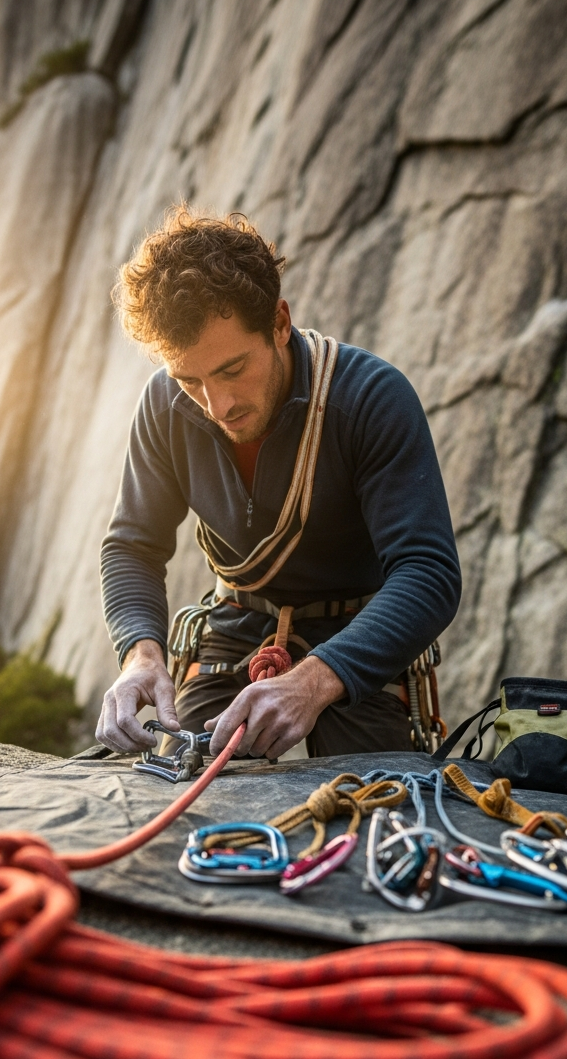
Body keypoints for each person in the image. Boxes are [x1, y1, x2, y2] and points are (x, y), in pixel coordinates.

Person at [96, 206, 461, 761]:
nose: (218, 406)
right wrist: (141, 655)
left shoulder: (368, 400)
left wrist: (316, 680)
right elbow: (133, 547)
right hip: (236, 623)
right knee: (177, 783)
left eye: (233, 369)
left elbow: (428, 573)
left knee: (367, 810)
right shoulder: (166, 406)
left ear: (280, 323)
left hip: (360, 634)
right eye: (190, 378)